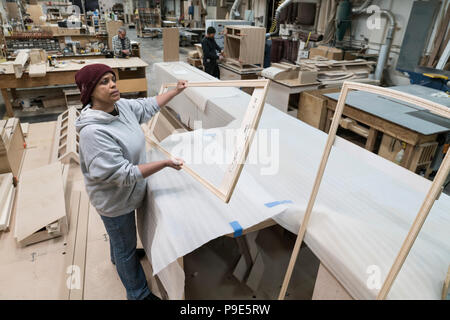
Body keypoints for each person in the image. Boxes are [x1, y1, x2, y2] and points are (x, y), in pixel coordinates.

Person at [74, 64, 187, 300]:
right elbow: (121, 174)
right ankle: (138, 294)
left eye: (112, 79)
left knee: (121, 240)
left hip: (128, 191)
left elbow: (147, 106)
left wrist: (175, 91)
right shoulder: (93, 133)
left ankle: (118, 254)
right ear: (90, 92)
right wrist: (165, 163)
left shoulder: (121, 107)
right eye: (103, 82)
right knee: (126, 248)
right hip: (113, 199)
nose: (113, 85)